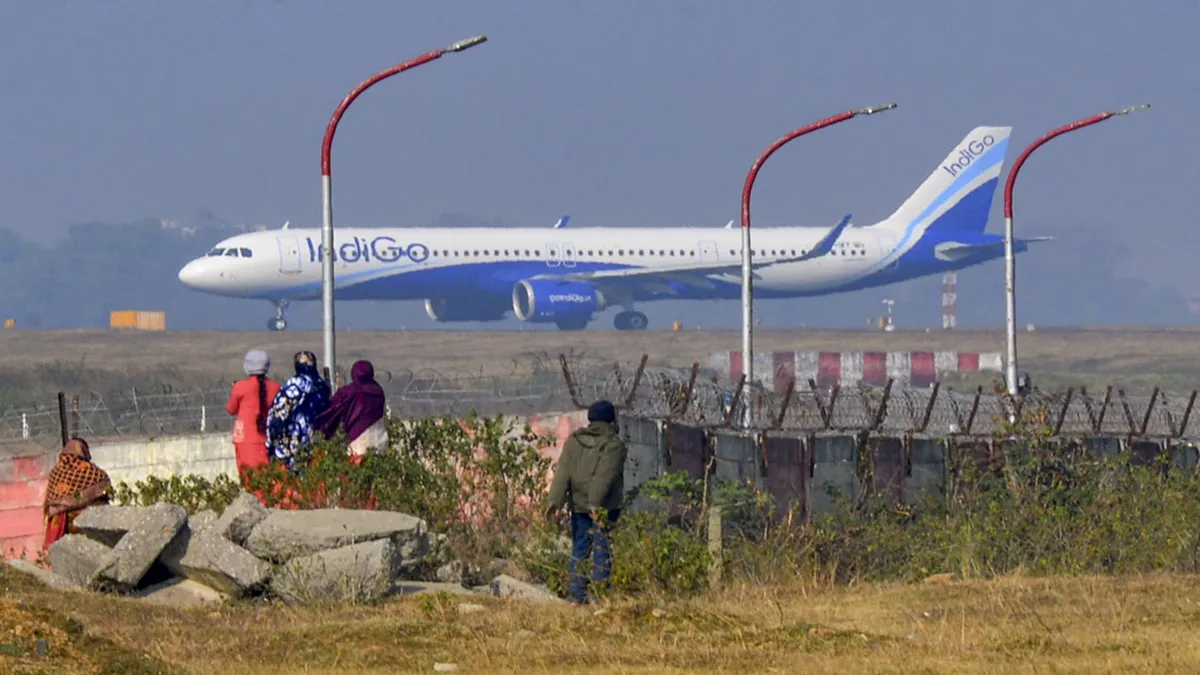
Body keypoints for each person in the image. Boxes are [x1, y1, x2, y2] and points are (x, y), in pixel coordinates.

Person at [546, 399, 628, 605]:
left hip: (579, 504)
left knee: (580, 549)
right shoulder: (613, 445)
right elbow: (604, 477)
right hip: (603, 508)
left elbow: (563, 471)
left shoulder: (575, 441)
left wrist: (554, 501)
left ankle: (576, 596)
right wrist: (595, 506)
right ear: (611, 419)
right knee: (602, 550)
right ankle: (600, 596)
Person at [266, 350, 331, 470]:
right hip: (317, 438)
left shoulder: (295, 384)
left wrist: (273, 437)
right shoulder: (322, 385)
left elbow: (280, 412)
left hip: (296, 436)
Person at [43, 437, 111, 549]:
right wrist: (77, 499)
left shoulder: (55, 473)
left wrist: (68, 501)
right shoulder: (90, 472)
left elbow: (51, 501)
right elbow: (104, 485)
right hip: (87, 525)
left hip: (62, 526)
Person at [225, 349, 282, 485]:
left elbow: (231, 409)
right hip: (267, 436)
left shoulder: (240, 387)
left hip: (243, 437)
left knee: (248, 477)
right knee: (267, 477)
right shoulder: (276, 387)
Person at [314, 359, 387, 460]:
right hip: (379, 436)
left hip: (358, 438)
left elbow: (334, 409)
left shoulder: (350, 392)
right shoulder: (378, 391)